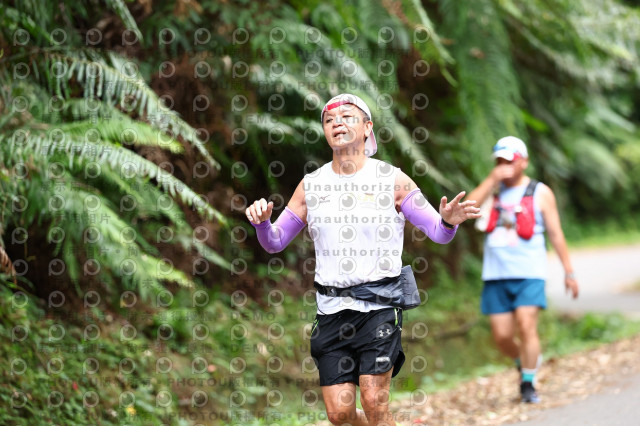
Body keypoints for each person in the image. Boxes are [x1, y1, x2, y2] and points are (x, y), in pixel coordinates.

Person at [246, 93, 480, 425]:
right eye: (329, 120)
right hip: (331, 311)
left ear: (368, 127)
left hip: (379, 307)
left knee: (373, 401)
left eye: (347, 117)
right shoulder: (312, 186)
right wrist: (262, 224)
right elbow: (274, 242)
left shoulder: (393, 180)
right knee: (339, 414)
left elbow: (437, 233)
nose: (337, 123)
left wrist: (448, 222)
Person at [466, 136, 580, 404]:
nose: (504, 165)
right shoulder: (492, 191)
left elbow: (556, 233)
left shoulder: (540, 192)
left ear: (524, 162)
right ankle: (524, 361)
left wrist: (569, 272)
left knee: (527, 325)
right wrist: (491, 180)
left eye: (509, 160)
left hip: (530, 272)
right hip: (495, 274)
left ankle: (528, 383)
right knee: (502, 336)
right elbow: (465, 210)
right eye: (499, 161)